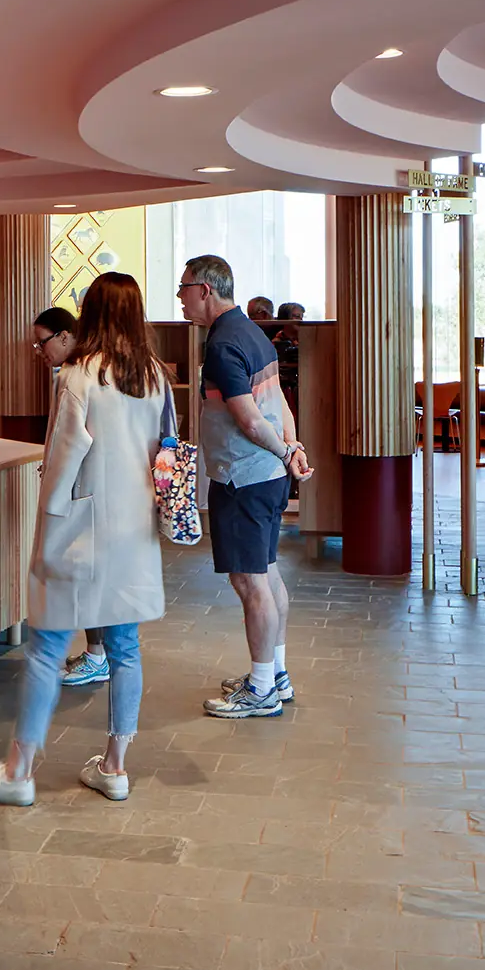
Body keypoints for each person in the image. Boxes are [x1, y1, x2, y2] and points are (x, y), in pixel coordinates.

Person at [0, 273, 168, 805]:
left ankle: (18, 772)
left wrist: (48, 523)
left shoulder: (79, 375)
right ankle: (115, 766)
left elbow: (63, 457)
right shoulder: (153, 375)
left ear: (91, 314)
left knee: (46, 648)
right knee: (125, 648)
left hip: (80, 530)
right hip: (133, 530)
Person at [176, 255, 311, 719]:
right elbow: (280, 404)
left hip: (243, 477)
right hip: (267, 476)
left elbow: (251, 421)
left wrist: (285, 451)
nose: (180, 299)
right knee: (267, 575)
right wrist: (292, 447)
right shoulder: (252, 333)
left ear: (204, 290)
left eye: (183, 289)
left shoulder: (223, 344)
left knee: (251, 582)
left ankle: (261, 689)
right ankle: (276, 674)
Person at [33, 307, 113, 689]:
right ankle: (100, 653)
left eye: (42, 342)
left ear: (65, 336)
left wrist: (52, 492)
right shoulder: (100, 367)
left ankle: (98, 656)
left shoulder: (73, 375)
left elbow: (69, 442)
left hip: (82, 490)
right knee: (93, 574)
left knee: (83, 575)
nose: (39, 351)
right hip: (103, 487)